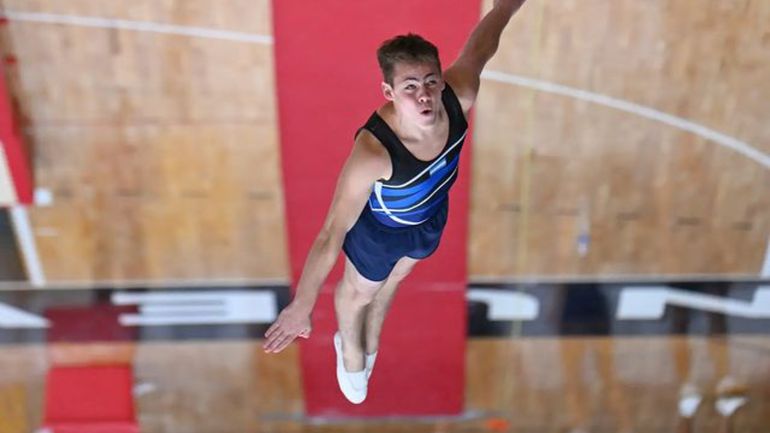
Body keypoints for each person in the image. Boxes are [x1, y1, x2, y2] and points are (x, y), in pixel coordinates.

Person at [263, 0, 528, 403]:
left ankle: (373, 342)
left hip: (429, 218)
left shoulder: (461, 94)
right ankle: (351, 349)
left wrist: (507, 6)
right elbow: (332, 231)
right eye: (409, 88)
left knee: (395, 280)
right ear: (388, 92)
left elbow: (483, 43)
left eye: (431, 82)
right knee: (360, 295)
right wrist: (302, 304)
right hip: (380, 234)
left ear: (442, 79)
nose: (424, 96)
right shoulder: (374, 153)